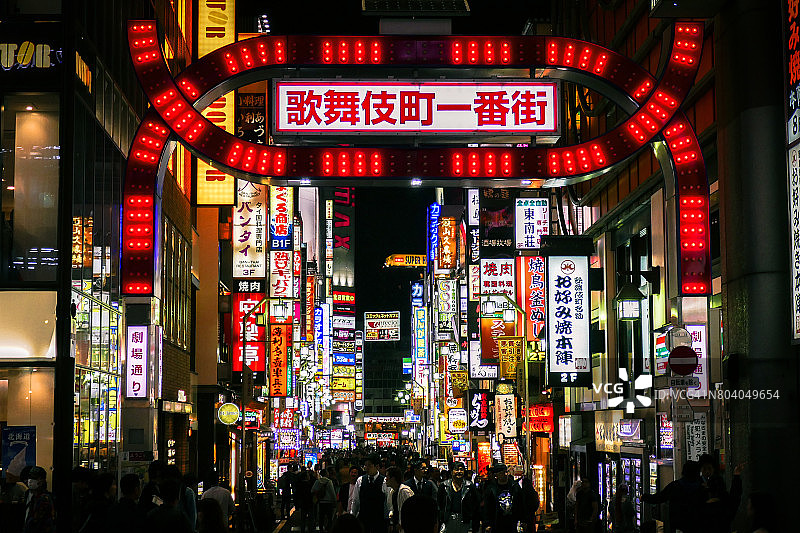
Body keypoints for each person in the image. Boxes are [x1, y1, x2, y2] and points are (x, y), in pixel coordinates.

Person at [642, 461, 706, 533]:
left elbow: (659, 498)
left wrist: (644, 497)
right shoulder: (703, 488)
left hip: (679, 525)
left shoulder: (675, 486)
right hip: (698, 525)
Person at [698, 455, 744, 533]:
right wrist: (736, 476)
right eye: (704, 469)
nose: (707, 472)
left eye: (709, 468)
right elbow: (735, 497)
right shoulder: (725, 506)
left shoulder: (699, 504)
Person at [351, 455, 392, 533]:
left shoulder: (384, 482)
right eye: (365, 465)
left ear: (377, 466)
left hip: (379, 521)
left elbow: (388, 503)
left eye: (369, 465)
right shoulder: (360, 480)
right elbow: (355, 501)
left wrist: (390, 521)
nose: (366, 468)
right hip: (363, 519)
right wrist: (353, 516)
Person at [438, 461, 480, 533]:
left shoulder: (469, 486)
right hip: (449, 519)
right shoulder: (444, 486)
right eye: (456, 469)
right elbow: (440, 503)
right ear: (451, 471)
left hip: (465, 519)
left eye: (461, 469)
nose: (459, 472)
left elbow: (475, 505)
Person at [483, 464, 523, 533]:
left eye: (505, 472)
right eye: (501, 473)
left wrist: (523, 520)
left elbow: (521, 504)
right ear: (496, 475)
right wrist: (487, 523)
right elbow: (487, 507)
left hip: (512, 523)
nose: (504, 475)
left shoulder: (514, 487)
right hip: (497, 523)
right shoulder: (491, 489)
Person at [23, 466, 55, 533]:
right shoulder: (30, 496)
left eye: (34, 478)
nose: (30, 480)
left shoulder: (45, 499)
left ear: (41, 480)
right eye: (30, 477)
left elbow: (38, 522)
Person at [386, 466, 414, 533]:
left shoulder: (405, 492)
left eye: (387, 477)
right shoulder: (392, 492)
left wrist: (402, 523)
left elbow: (411, 511)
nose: (385, 479)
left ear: (393, 478)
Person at [313, 468, 338, 532]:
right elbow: (332, 493)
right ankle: (328, 529)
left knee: (321, 517)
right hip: (329, 502)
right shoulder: (329, 481)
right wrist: (335, 501)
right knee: (329, 518)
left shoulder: (317, 481)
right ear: (326, 474)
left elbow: (312, 490)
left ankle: (321, 529)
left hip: (321, 502)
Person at [295, 468, 316, 533]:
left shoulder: (299, 485)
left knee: (303, 518)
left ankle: (303, 530)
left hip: (303, 504)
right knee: (311, 518)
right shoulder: (311, 485)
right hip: (310, 503)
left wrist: (297, 505)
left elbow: (297, 495)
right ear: (306, 477)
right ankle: (311, 530)